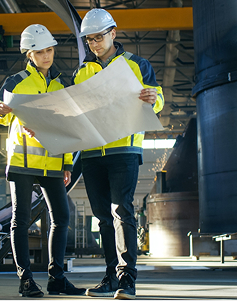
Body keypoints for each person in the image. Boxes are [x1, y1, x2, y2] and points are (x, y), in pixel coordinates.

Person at [72, 8, 164, 300]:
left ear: (113, 33)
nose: (94, 44)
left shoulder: (137, 65)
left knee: (121, 211)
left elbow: (156, 98)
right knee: (102, 218)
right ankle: (111, 277)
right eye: (89, 40)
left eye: (99, 37)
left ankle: (127, 280)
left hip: (123, 149)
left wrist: (154, 98)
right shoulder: (81, 72)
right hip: (91, 153)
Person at [0, 24, 85, 298]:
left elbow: (68, 127)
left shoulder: (61, 85)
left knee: (61, 217)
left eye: (50, 50)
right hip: (23, 161)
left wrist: (67, 163)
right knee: (20, 220)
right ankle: (26, 280)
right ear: (29, 54)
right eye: (40, 51)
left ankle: (57, 278)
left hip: (54, 162)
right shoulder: (16, 81)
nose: (47, 56)